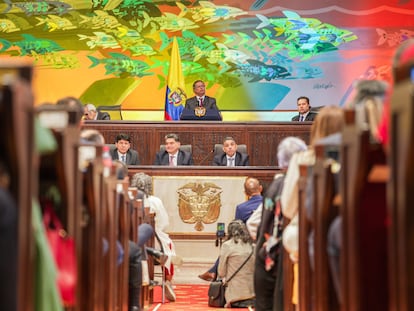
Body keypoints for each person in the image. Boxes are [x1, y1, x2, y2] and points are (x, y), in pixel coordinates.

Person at [281, 106, 345, 307]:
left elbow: (289, 208)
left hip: (311, 244)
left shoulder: (303, 159)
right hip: (352, 240)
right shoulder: (358, 157)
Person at [253, 137, 307, 311]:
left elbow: (257, 224)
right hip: (285, 256)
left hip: (265, 254)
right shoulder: (299, 185)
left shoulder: (274, 185)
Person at [198, 177, 262, 282]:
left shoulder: (241, 208)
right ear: (261, 188)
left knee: (228, 245)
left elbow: (237, 229)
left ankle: (214, 271)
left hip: (248, 243)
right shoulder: (269, 204)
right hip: (265, 240)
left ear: (245, 192)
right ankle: (213, 271)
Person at [130, 172, 177, 302]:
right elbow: (164, 223)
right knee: (168, 245)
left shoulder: (129, 200)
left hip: (132, 242)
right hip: (155, 243)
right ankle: (167, 279)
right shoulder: (155, 201)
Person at [218, 219, 255, 308]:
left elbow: (221, 272)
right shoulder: (253, 246)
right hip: (252, 295)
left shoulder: (227, 245)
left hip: (235, 297)